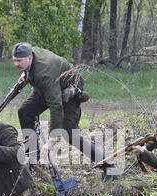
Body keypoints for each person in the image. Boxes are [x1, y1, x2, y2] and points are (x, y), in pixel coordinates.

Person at [11, 42, 119, 180]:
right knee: (25, 112)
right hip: (51, 86)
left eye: (19, 61)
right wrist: (27, 74)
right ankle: (33, 159)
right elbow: (37, 76)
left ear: (30, 57)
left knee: (70, 134)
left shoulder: (44, 74)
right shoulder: (29, 53)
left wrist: (52, 139)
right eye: (14, 60)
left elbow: (56, 106)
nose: (16, 64)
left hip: (70, 89)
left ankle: (109, 166)